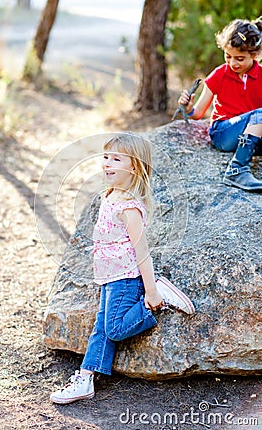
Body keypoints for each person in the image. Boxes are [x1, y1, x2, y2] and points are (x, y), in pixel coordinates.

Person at [50, 132, 195, 405]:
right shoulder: (111, 195)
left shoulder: (129, 208)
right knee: (102, 328)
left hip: (126, 279)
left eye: (116, 159)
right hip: (109, 277)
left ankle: (155, 303)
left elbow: (142, 252)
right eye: (106, 157)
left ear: (134, 166)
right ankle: (86, 378)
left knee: (114, 329)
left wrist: (150, 290)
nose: (107, 163)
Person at [178, 17, 262, 192]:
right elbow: (198, 113)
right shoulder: (219, 75)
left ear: (254, 55)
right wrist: (188, 109)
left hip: (252, 137)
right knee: (259, 114)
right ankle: (237, 170)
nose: (232, 63)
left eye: (240, 58)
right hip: (223, 132)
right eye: (228, 56)